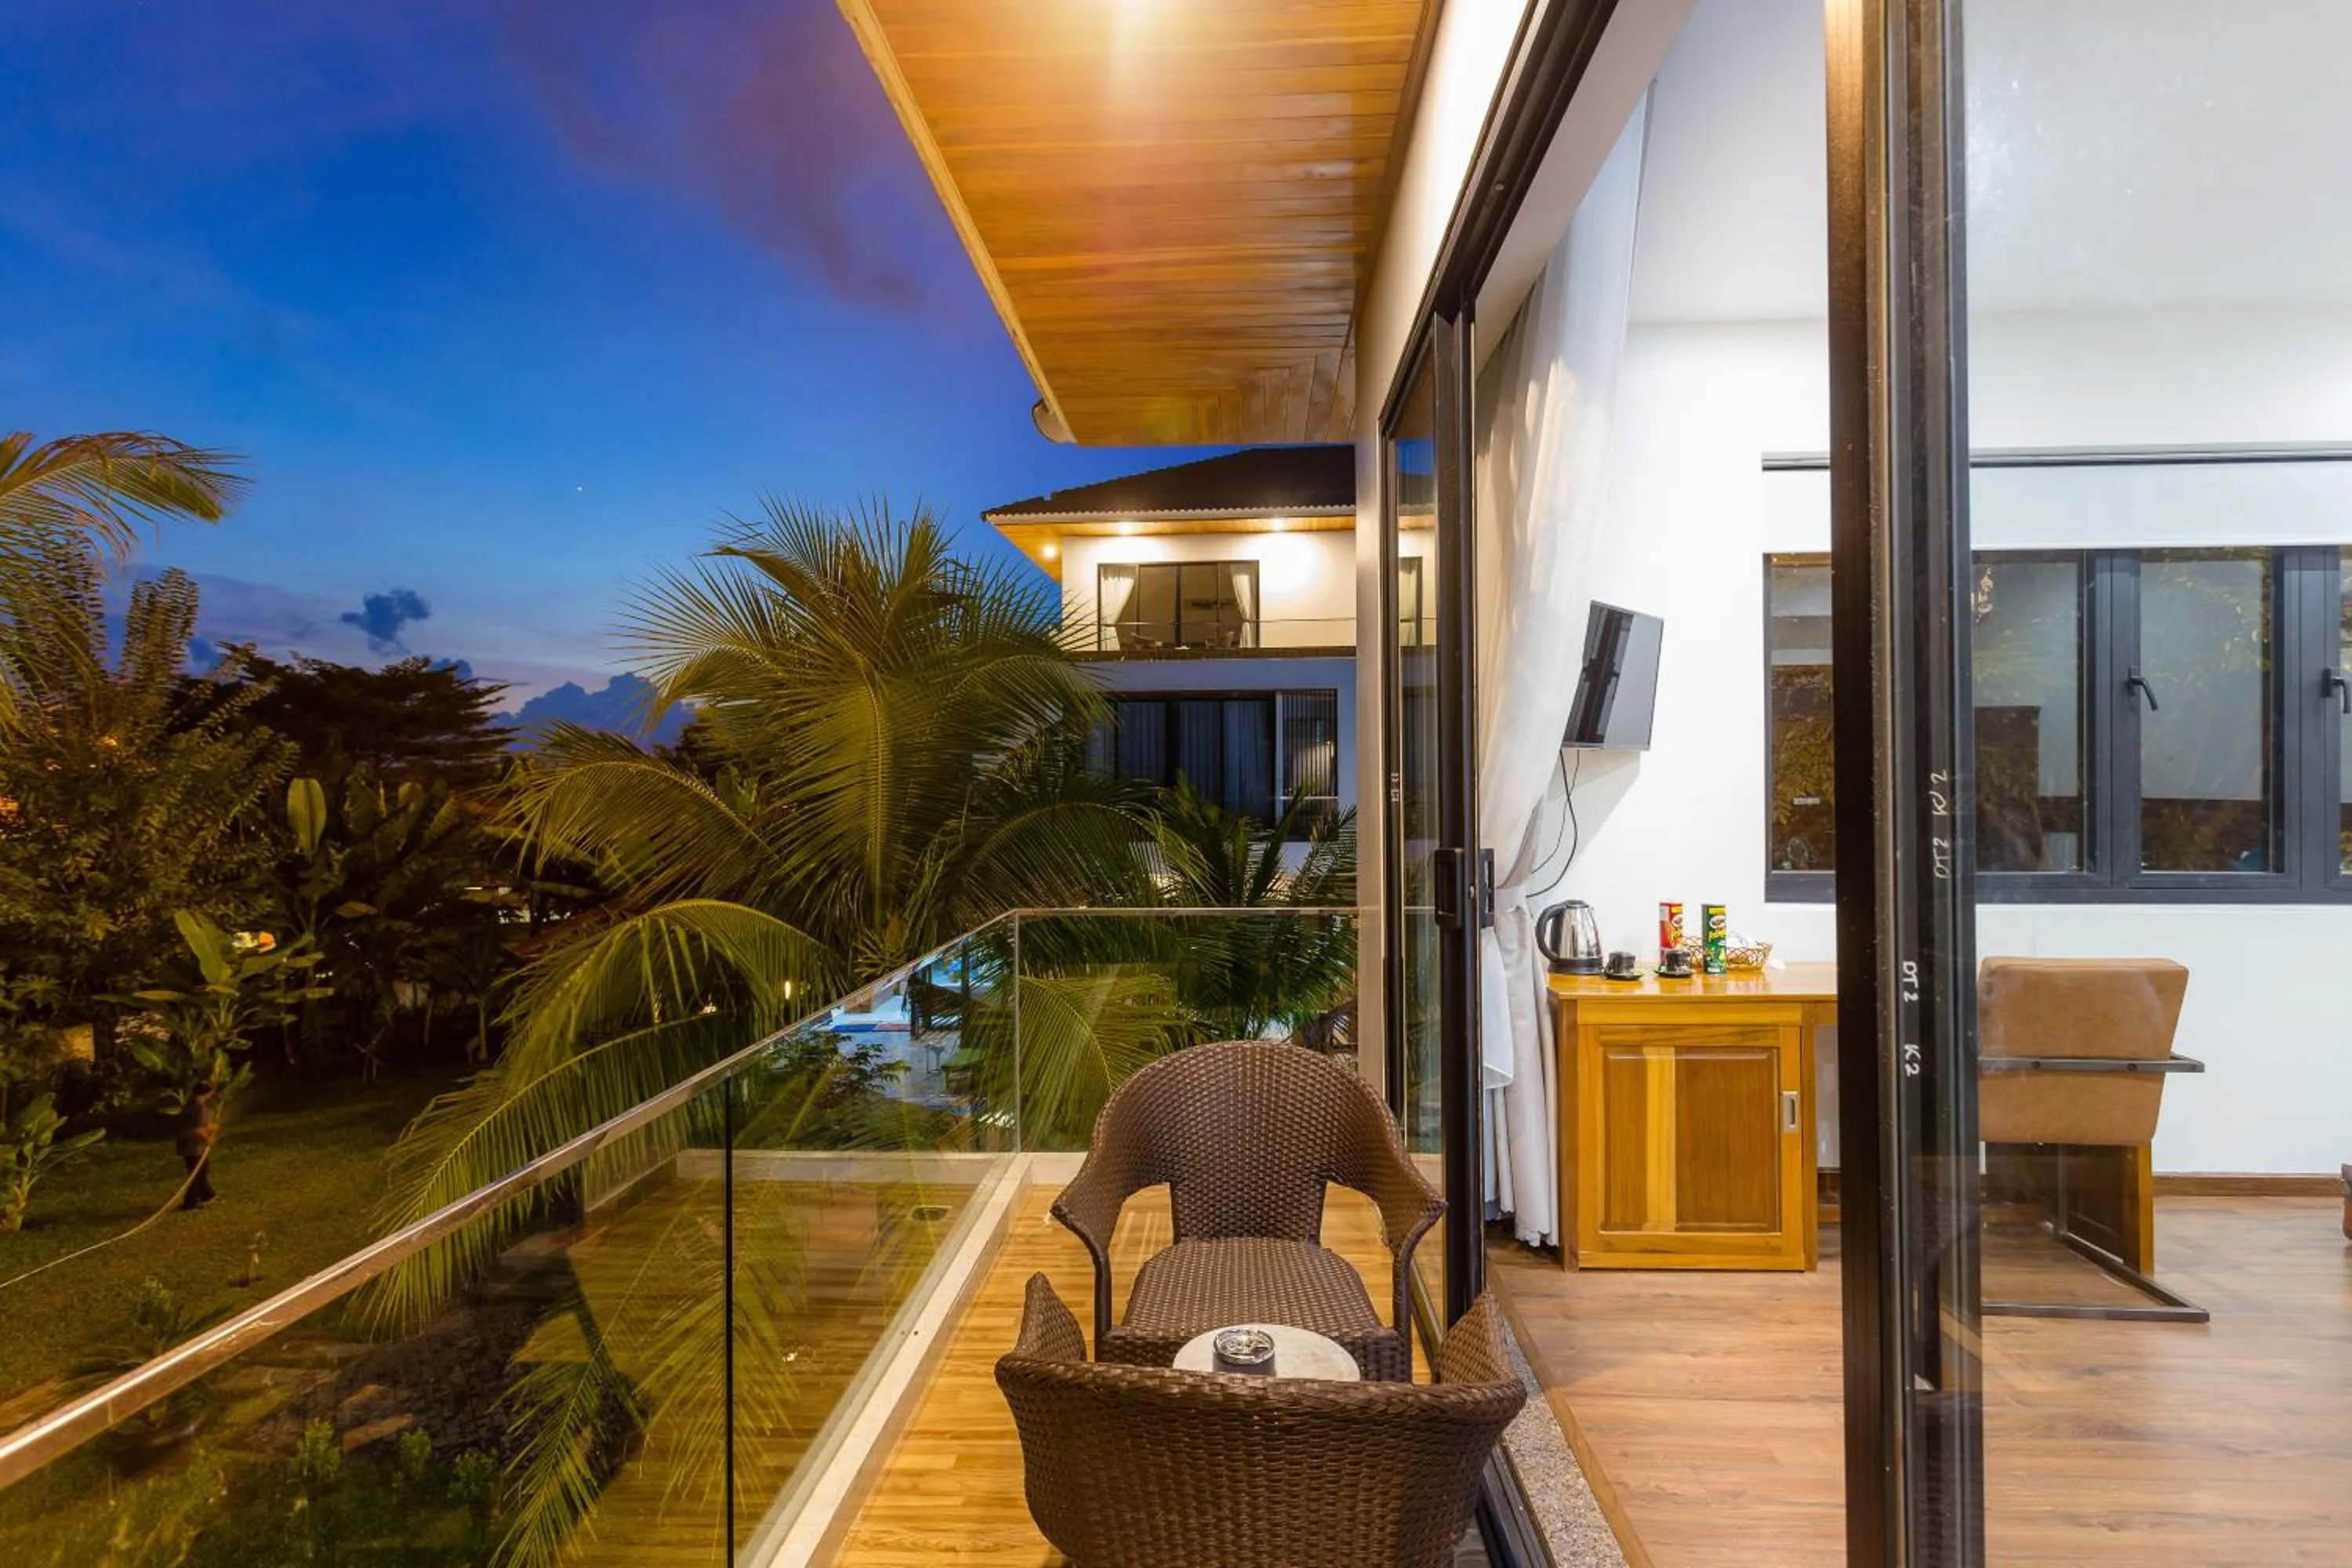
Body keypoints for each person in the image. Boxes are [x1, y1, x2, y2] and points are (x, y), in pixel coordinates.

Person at [177, 1077, 220, 1209]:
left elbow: (197, 1125)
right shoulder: (198, 1106)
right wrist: (208, 1139)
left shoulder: (192, 1104)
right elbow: (195, 1129)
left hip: (190, 1145)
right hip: (194, 1147)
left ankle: (208, 1195)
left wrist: (210, 1127)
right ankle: (191, 1202)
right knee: (197, 1174)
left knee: (200, 1172)